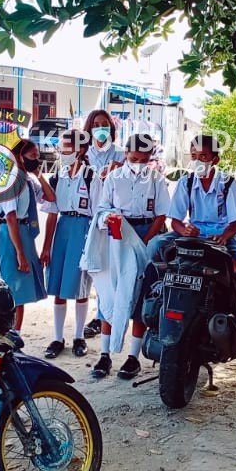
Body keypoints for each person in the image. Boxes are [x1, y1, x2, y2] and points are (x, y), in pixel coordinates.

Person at [146, 135, 236, 313]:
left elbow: (234, 224)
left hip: (223, 233)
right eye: (194, 156)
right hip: (195, 232)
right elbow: (176, 221)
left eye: (203, 156)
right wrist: (185, 231)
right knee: (155, 245)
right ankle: (162, 282)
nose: (197, 161)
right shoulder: (185, 182)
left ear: (215, 159)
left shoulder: (228, 184)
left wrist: (224, 236)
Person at [91, 133, 170, 380]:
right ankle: (105, 355)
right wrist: (109, 221)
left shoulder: (157, 180)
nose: (138, 164)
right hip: (119, 236)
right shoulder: (114, 178)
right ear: (126, 153)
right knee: (112, 292)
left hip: (146, 233)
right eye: (134, 158)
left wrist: (146, 242)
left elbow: (161, 215)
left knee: (140, 295)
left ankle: (133, 357)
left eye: (144, 160)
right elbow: (102, 208)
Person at [40, 130, 100, 359]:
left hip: (83, 229)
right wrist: (46, 247)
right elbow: (52, 214)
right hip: (63, 229)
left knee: (80, 285)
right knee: (58, 286)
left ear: (80, 150)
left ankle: (78, 336)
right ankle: (57, 337)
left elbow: (96, 213)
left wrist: (93, 245)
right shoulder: (58, 176)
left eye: (67, 148)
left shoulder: (91, 177)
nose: (63, 153)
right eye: (61, 149)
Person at [0, 138, 54, 332]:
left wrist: (39, 174)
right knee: (13, 284)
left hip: (24, 232)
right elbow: (10, 217)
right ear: (20, 156)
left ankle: (16, 331)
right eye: (32, 156)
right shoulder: (10, 180)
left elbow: (50, 197)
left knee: (22, 284)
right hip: (12, 234)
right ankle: (9, 330)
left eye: (37, 156)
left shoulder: (26, 179)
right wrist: (20, 253)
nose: (36, 159)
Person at [81, 109, 125, 338]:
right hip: (85, 215)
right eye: (96, 124)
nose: (100, 128)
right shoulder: (84, 154)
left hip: (109, 218)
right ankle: (92, 316)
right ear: (89, 128)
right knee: (89, 269)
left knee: (106, 269)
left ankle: (101, 316)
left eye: (104, 124)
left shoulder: (120, 154)